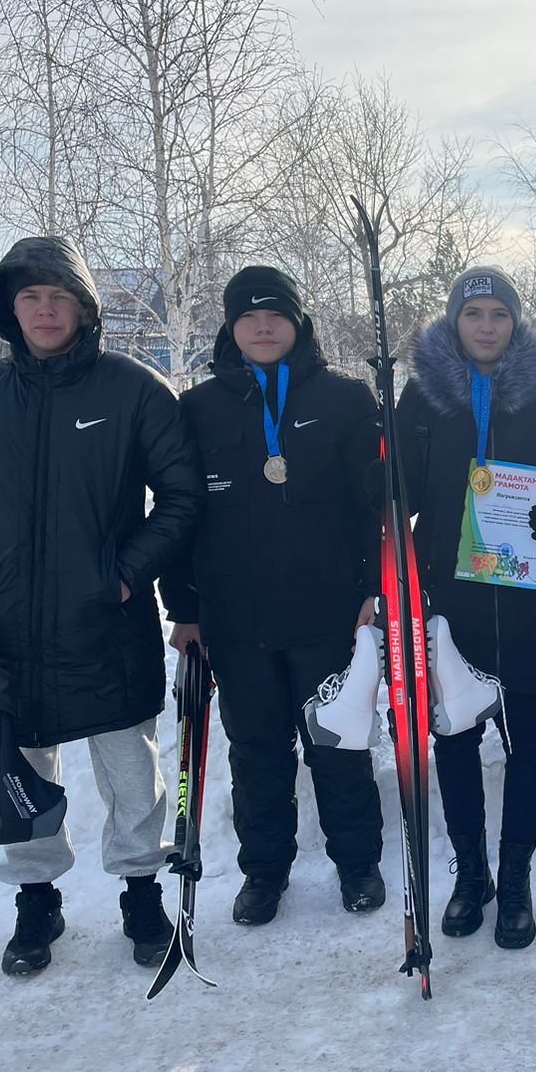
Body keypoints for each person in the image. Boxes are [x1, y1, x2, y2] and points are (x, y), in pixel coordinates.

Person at [0, 236, 201, 976]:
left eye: (58, 296)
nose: (45, 310)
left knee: (132, 774)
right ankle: (36, 898)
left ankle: (141, 891)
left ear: (83, 307)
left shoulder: (131, 391)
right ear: (10, 310)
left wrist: (126, 577)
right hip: (5, 629)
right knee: (16, 774)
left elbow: (181, 497)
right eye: (30, 297)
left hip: (106, 621)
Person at [161, 266, 386, 926]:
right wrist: (185, 609)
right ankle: (263, 873)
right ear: (232, 328)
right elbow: (179, 513)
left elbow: (373, 507)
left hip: (328, 615)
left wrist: (373, 588)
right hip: (236, 620)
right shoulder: (198, 409)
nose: (264, 326)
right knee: (255, 752)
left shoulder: (346, 399)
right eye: (249, 316)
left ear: (298, 323)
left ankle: (358, 865)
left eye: (277, 315)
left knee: (337, 746)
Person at [395, 266, 536, 949]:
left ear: (515, 324)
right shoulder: (420, 399)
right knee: (454, 736)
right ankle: (471, 875)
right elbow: (400, 497)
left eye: (498, 314)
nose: (485, 326)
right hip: (452, 600)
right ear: (455, 321)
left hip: (532, 598)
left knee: (528, 737)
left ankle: (516, 878)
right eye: (473, 313)